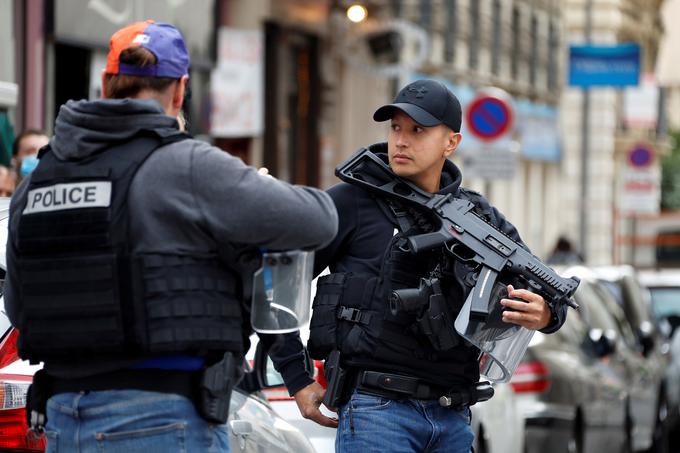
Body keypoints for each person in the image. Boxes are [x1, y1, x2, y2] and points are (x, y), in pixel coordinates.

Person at [4, 20, 338, 452]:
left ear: (105, 83)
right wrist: (254, 188)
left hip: (63, 420)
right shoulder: (185, 167)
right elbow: (320, 220)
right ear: (179, 90)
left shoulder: (38, 179)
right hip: (162, 417)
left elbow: (16, 303)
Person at [304, 79, 568, 453]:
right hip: (377, 410)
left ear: (451, 142)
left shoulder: (479, 217)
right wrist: (297, 377)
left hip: (452, 414)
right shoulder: (352, 201)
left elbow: (545, 290)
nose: (401, 140)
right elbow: (283, 279)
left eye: (418, 130)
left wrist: (544, 314)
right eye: (396, 127)